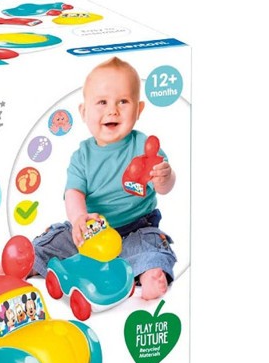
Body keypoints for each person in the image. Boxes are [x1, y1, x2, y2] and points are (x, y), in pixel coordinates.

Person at [32, 57, 176, 300]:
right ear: (84, 112)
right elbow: (73, 193)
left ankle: (150, 272)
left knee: (149, 244)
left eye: (123, 101)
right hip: (91, 230)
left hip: (136, 227)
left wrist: (165, 177)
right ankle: (29, 262)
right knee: (53, 241)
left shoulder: (144, 148)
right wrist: (79, 219)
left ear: (139, 110)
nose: (112, 110)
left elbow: (164, 187)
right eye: (102, 102)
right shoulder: (82, 156)